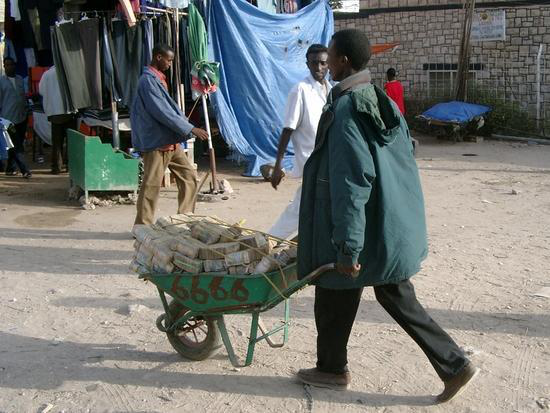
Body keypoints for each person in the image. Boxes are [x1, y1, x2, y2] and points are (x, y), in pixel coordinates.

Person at [295, 29, 479, 403]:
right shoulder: (378, 98)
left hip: (365, 225)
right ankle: (334, 367)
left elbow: (351, 182)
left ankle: (452, 364)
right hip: (388, 222)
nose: (325, 60)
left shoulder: (347, 109)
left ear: (343, 60)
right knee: (364, 293)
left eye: (329, 54)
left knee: (342, 285)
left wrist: (348, 246)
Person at [132, 44, 209, 226]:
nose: (170, 64)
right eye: (169, 60)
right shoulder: (148, 81)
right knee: (151, 185)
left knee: (189, 176)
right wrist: (189, 128)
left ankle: (184, 218)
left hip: (170, 141)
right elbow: (162, 111)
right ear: (158, 57)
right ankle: (142, 226)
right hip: (158, 143)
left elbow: (169, 110)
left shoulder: (157, 79)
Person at [268, 44, 331, 240]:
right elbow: (288, 129)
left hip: (327, 161)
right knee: (300, 208)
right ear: (307, 64)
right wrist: (278, 165)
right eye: (314, 63)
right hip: (310, 162)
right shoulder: (300, 90)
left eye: (322, 63)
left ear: (328, 64)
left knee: (314, 207)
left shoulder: (331, 90)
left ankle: (299, 243)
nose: (318, 68)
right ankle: (268, 241)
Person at [39, 65, 76, 174]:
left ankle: (56, 167)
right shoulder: (70, 72)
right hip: (70, 112)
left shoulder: (47, 74)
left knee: (57, 143)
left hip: (54, 113)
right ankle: (71, 167)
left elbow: (41, 91)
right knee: (72, 142)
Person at [0, 57, 31, 178]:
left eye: (11, 64)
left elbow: (23, 97)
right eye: (6, 65)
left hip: (21, 117)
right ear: (4, 67)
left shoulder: (19, 79)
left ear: (14, 65)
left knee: (16, 144)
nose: (9, 67)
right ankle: (25, 170)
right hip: (8, 120)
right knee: (16, 145)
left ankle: (10, 169)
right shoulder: (1, 81)